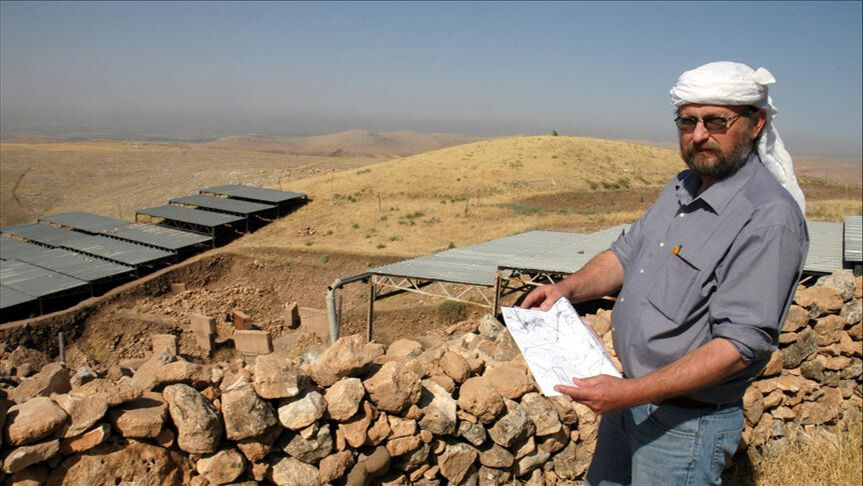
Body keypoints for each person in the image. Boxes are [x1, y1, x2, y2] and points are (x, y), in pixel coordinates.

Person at [521, 61, 809, 485]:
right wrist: (567, 288)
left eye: (715, 121)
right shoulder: (681, 187)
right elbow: (624, 254)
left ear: (756, 123)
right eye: (687, 121)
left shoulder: (767, 218)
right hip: (630, 401)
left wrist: (629, 393)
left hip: (685, 427)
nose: (698, 135)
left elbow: (739, 345)